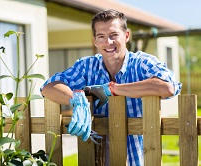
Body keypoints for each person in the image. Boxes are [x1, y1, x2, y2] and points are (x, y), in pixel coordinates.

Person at [41, 9, 182, 166]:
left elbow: (167, 87)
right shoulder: (86, 66)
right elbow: (48, 87)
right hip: (97, 159)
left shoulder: (142, 63)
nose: (108, 42)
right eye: (101, 36)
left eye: (114, 35)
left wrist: (113, 89)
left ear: (126, 36)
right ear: (95, 41)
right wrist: (75, 99)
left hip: (138, 159)